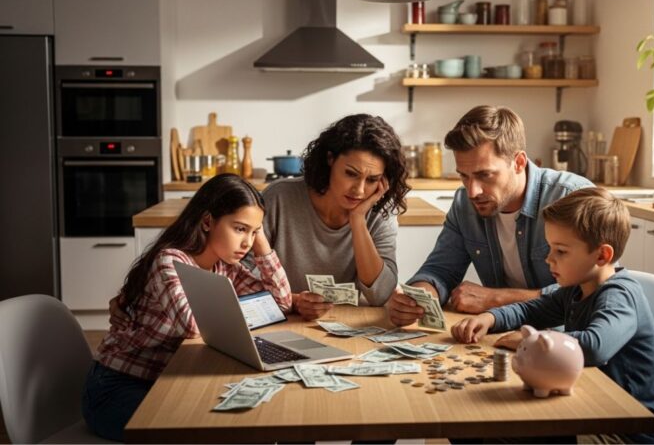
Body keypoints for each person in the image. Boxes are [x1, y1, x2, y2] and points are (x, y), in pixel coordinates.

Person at [83, 174, 292, 442]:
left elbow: (281, 303)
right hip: (116, 388)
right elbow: (194, 326)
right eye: (240, 229)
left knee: (242, 420)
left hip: (168, 381)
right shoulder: (169, 260)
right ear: (207, 221)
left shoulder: (225, 265)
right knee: (208, 430)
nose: (247, 243)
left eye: (254, 232)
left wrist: (261, 241)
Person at [451, 187, 654, 444]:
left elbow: (596, 346)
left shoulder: (619, 295)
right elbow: (530, 309)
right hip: (585, 410)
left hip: (619, 431)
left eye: (561, 251)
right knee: (471, 429)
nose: (549, 259)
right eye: (550, 248)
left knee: (498, 432)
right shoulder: (576, 288)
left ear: (601, 255)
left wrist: (531, 341)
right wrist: (490, 318)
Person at [386, 105, 592, 327]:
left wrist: (495, 299)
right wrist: (418, 296)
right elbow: (440, 270)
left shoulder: (573, 197)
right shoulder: (464, 203)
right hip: (499, 333)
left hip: (568, 342)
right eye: (464, 176)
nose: (473, 191)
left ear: (519, 163)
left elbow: (595, 290)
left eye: (485, 175)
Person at [262, 113, 410, 320]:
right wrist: (292, 301)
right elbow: (241, 279)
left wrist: (358, 220)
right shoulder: (278, 198)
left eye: (372, 180)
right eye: (351, 174)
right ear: (330, 159)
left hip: (352, 325)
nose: (359, 191)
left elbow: (380, 294)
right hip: (286, 322)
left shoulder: (381, 210)